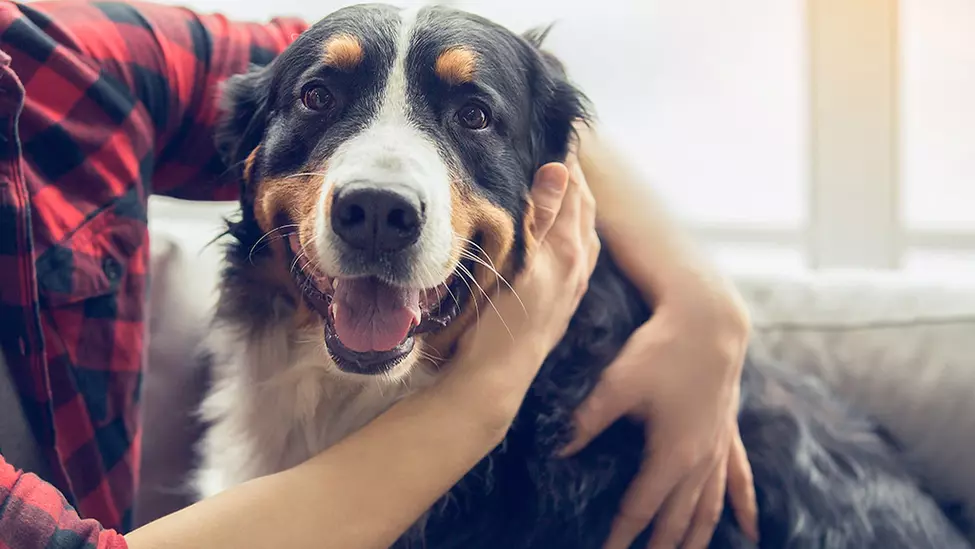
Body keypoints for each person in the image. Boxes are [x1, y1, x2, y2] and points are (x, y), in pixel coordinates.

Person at [0, 2, 756, 548]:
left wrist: (703, 303)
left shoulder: (51, 56)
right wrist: (486, 391)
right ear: (248, 164)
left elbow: (392, 50)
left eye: (473, 116)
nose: (377, 194)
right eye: (320, 101)